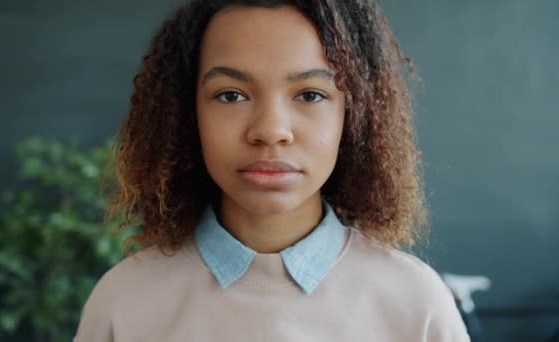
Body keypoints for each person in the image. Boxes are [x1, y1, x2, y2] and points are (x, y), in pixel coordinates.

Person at [74, 0, 471, 341]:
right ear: (186, 113)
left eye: (310, 94)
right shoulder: (124, 303)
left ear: (354, 116)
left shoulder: (416, 306)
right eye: (231, 95)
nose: (270, 131)